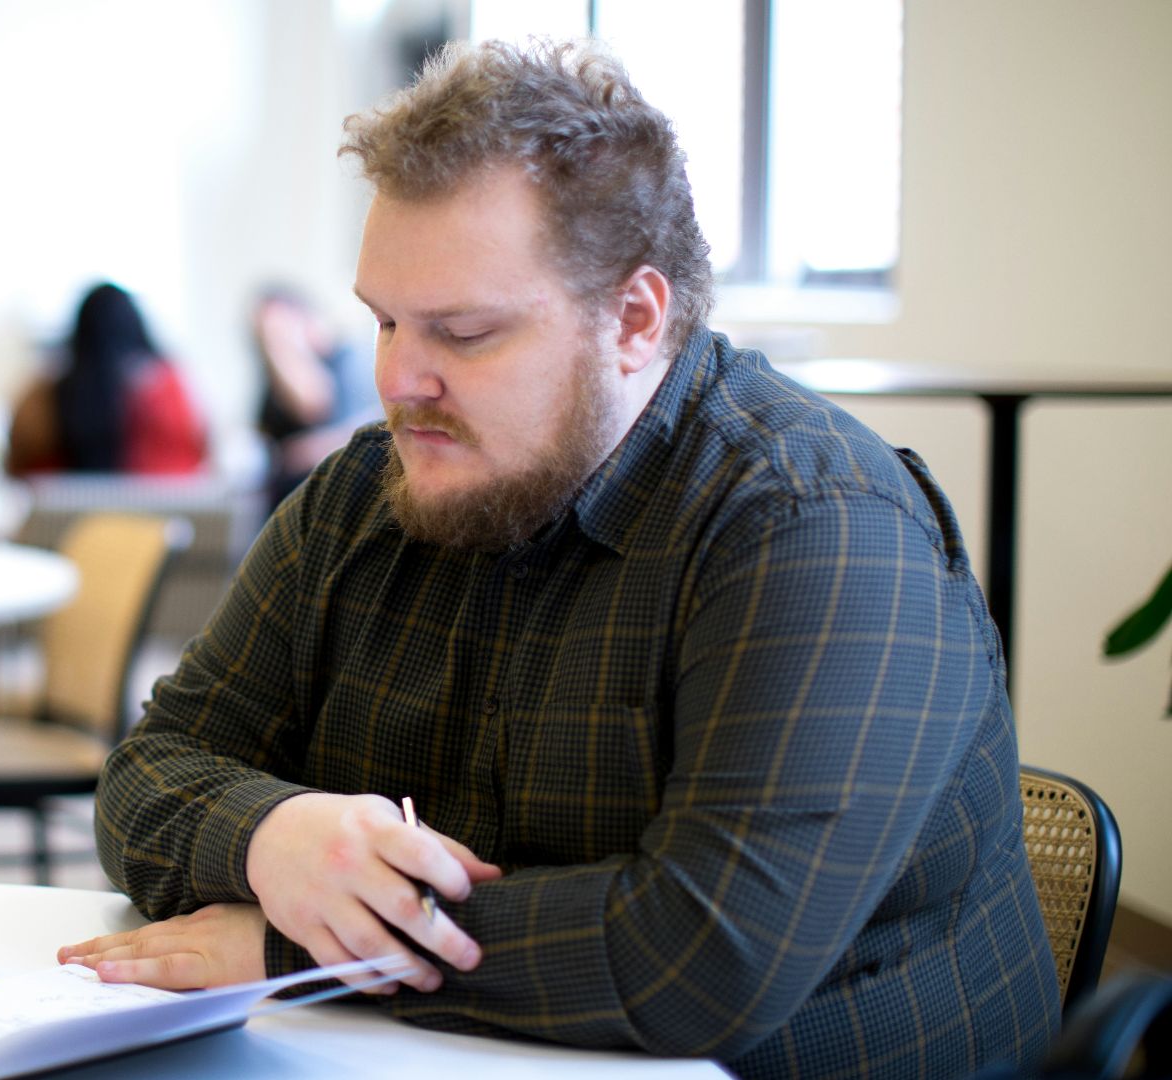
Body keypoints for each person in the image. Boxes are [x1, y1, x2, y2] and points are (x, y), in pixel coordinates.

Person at [56, 39, 1056, 1079]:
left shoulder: (817, 528)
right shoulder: (365, 494)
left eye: (465, 332)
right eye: (386, 321)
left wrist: (302, 944)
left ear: (632, 319)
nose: (400, 379)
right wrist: (273, 836)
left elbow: (704, 959)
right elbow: (149, 771)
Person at [5, 282, 208, 477]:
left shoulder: (42, 396)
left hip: (69, 508)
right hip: (150, 508)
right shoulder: (169, 390)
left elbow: (17, 466)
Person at [252, 284, 381, 506]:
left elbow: (314, 405)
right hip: (282, 492)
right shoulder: (274, 373)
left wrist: (282, 348)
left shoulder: (345, 360)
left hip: (326, 490)